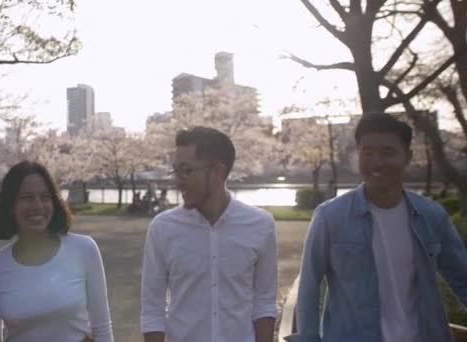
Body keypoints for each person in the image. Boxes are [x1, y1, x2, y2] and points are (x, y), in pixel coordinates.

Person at [290, 113, 467, 342]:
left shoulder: (431, 216)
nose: (377, 162)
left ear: (408, 156)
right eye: (368, 152)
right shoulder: (330, 217)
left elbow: (462, 278)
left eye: (387, 152)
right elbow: (309, 286)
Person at [141, 126, 278, 342]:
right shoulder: (162, 228)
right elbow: (152, 310)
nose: (178, 180)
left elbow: (265, 303)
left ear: (217, 171)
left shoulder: (260, 225)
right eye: (176, 171)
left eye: (186, 170)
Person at [0, 161, 113, 342]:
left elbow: (102, 327)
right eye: (27, 197)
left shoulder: (84, 249)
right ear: (10, 206)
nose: (38, 205)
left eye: (45, 197)